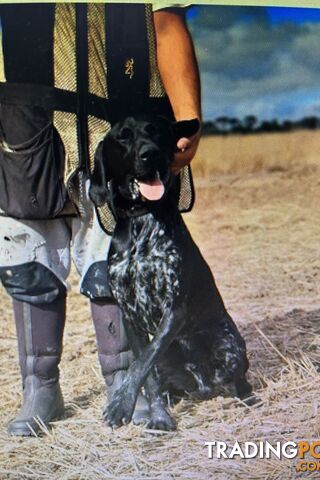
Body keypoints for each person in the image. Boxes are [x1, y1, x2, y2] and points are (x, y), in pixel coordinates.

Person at [0, 3, 201, 436]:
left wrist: (190, 122)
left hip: (115, 116)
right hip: (20, 116)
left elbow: (166, 21)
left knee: (110, 253)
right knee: (27, 251)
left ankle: (128, 380)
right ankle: (40, 389)